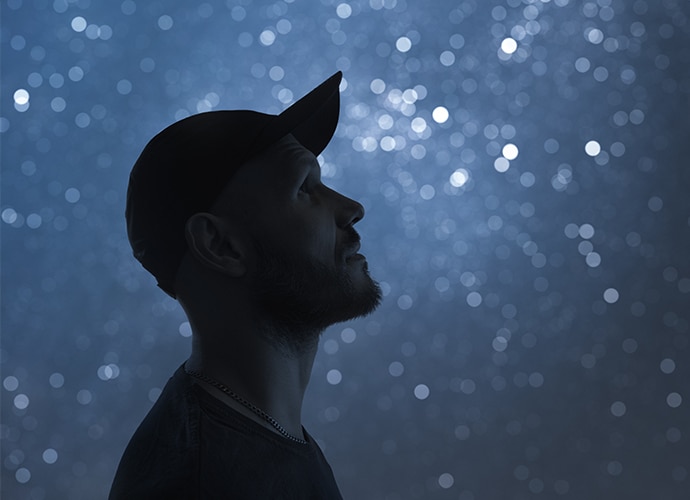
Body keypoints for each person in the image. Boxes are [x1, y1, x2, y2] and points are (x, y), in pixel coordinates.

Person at [109, 71, 382, 499]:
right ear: (221, 245)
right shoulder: (198, 480)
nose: (351, 208)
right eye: (304, 189)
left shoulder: (261, 435)